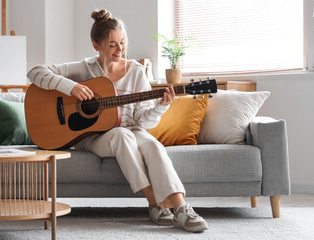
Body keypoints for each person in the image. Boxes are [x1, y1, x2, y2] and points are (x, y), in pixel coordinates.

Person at [27, 9, 208, 233]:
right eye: (112, 44)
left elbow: (143, 123)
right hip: (93, 136)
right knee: (121, 136)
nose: (120, 49)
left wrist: (161, 106)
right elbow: (35, 72)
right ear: (96, 46)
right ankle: (155, 203)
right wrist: (71, 87)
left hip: (132, 130)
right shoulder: (83, 69)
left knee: (152, 144)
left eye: (123, 42)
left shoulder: (137, 72)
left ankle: (181, 207)